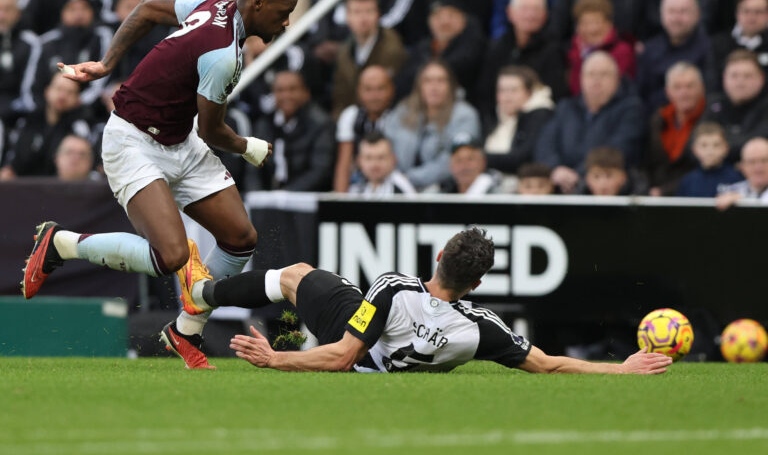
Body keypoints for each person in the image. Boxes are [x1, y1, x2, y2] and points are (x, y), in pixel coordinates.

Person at [22, 0, 300, 372]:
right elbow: (212, 131)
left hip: (177, 139)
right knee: (171, 256)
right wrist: (248, 147)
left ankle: (186, 330)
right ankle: (61, 243)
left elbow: (150, 8)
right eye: (283, 12)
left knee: (241, 238)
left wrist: (108, 63)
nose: (288, 23)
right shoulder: (224, 55)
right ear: (258, 3)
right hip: (132, 140)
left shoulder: (213, 6)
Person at [176, 226, 671, 375]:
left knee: (294, 275)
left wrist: (276, 357)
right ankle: (200, 293)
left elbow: (345, 353)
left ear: (438, 257)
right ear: (475, 285)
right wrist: (621, 369)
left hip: (356, 349)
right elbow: (549, 364)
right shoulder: (481, 328)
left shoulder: (392, 286)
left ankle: (201, 292)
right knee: (304, 278)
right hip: (377, 363)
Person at [535, 51, 644, 193]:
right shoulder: (566, 107)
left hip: (604, 189)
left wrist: (579, 174)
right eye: (591, 74)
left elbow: (619, 149)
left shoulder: (631, 108)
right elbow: (545, 143)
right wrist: (555, 168)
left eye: (604, 74)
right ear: (581, 78)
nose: (596, 80)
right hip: (559, 183)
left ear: (617, 78)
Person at [382, 59, 481, 191]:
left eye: (441, 80)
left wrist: (409, 178)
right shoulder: (402, 111)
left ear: (451, 85)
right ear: (419, 85)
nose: (434, 87)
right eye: (427, 81)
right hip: (396, 186)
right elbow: (385, 147)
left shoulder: (465, 115)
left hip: (443, 190)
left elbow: (455, 160)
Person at [478, 0, 565, 114]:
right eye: (524, 8)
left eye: (536, 9)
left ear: (545, 15)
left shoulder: (553, 50)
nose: (530, 15)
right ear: (510, 12)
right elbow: (485, 94)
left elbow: (556, 96)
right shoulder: (498, 48)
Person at [397, 0, 486, 103]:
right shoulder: (423, 48)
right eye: (438, 16)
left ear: (464, 18)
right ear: (429, 21)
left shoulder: (475, 48)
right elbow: (403, 82)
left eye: (451, 15)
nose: (445, 22)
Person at [253, 70, 335, 192]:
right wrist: (256, 195)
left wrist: (286, 195)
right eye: (280, 90)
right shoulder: (264, 124)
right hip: (269, 198)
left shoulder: (321, 124)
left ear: (306, 93)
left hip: (306, 199)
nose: (286, 95)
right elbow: (253, 168)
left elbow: (320, 170)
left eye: (292, 89)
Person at [331, 0, 406, 119]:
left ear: (378, 14)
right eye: (357, 12)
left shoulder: (393, 49)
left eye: (369, 11)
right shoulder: (344, 51)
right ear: (347, 16)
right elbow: (340, 97)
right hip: (351, 121)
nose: (363, 18)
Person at [1, 72, 91, 179]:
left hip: (61, 188)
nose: (62, 96)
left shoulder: (79, 128)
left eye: (70, 92)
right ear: (47, 91)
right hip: (25, 187)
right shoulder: (28, 122)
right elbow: (14, 159)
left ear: (77, 99)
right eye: (59, 89)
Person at [638, 0, 711, 113]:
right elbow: (641, 94)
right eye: (671, 11)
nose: (677, 18)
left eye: (683, 12)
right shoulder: (649, 50)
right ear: (661, 14)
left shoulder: (710, 49)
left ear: (697, 14)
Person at [30, 0, 112, 109]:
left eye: (84, 8)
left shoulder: (102, 37)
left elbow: (103, 77)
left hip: (89, 109)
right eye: (72, 9)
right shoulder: (47, 42)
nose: (79, 14)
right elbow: (34, 83)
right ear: (62, 13)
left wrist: (78, 101)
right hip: (47, 108)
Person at [646, 62, 707, 196]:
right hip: (657, 196)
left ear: (701, 88)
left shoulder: (709, 118)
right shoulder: (657, 120)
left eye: (689, 86)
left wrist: (666, 190)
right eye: (677, 87)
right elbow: (647, 162)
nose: (683, 92)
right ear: (667, 91)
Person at [483, 66, 554, 177]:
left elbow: (523, 158)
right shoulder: (494, 116)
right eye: (502, 90)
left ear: (529, 92)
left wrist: (481, 159)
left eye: (513, 90)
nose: (507, 96)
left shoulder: (539, 116)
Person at [334, 65, 395, 193]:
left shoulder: (400, 116)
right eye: (368, 89)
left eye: (380, 88)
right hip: (359, 184)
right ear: (359, 91)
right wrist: (340, 202)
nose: (374, 95)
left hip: (392, 184)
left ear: (391, 90)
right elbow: (344, 165)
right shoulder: (351, 116)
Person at [701, 50, 768, 162]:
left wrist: (717, 149)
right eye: (734, 75)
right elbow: (696, 140)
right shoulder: (715, 104)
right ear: (724, 78)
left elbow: (757, 140)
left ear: (761, 78)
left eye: (747, 76)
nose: (740, 82)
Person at [567, 0, 635, 96]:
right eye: (585, 23)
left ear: (608, 24)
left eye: (596, 22)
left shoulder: (622, 52)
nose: (591, 29)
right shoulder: (574, 53)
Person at [708, 0, 768, 91]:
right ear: (737, 12)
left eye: (758, 12)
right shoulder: (718, 44)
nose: (752, 17)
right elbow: (712, 83)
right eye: (746, 11)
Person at [0, 0, 39, 122]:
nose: (2, 16)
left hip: (14, 113)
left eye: (7, 9)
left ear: (17, 13)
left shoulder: (30, 43)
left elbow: (29, 91)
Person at [676, 122, 742, 198]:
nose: (710, 151)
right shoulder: (688, 181)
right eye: (704, 145)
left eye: (716, 145)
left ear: (726, 148)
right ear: (695, 150)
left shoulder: (737, 177)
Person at [347, 131, 416, 198]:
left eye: (381, 158)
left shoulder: (401, 189)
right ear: (359, 161)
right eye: (368, 158)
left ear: (393, 159)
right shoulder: (356, 188)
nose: (374, 164)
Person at [435, 134, 502, 195]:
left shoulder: (500, 194)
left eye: (470, 159)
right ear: (451, 165)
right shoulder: (440, 193)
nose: (464, 166)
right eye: (459, 160)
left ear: (483, 162)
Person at [715, 136, 768, 209]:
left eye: (764, 160)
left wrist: (744, 201)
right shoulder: (730, 191)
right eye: (752, 162)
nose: (758, 167)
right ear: (742, 167)